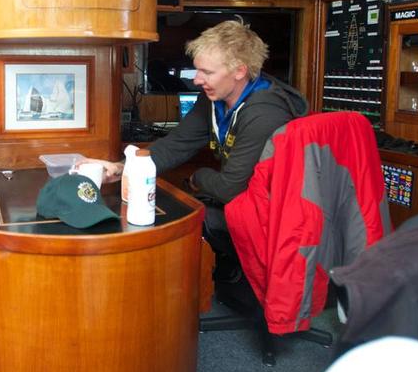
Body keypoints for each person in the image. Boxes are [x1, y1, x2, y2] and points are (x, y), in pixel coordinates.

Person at [100, 19, 307, 281]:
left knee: (187, 215)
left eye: (206, 72)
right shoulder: (213, 100)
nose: (197, 80)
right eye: (197, 71)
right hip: (242, 203)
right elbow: (176, 144)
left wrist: (198, 177)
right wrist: (122, 168)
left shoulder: (265, 114)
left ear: (239, 71)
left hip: (272, 215)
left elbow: (231, 188)